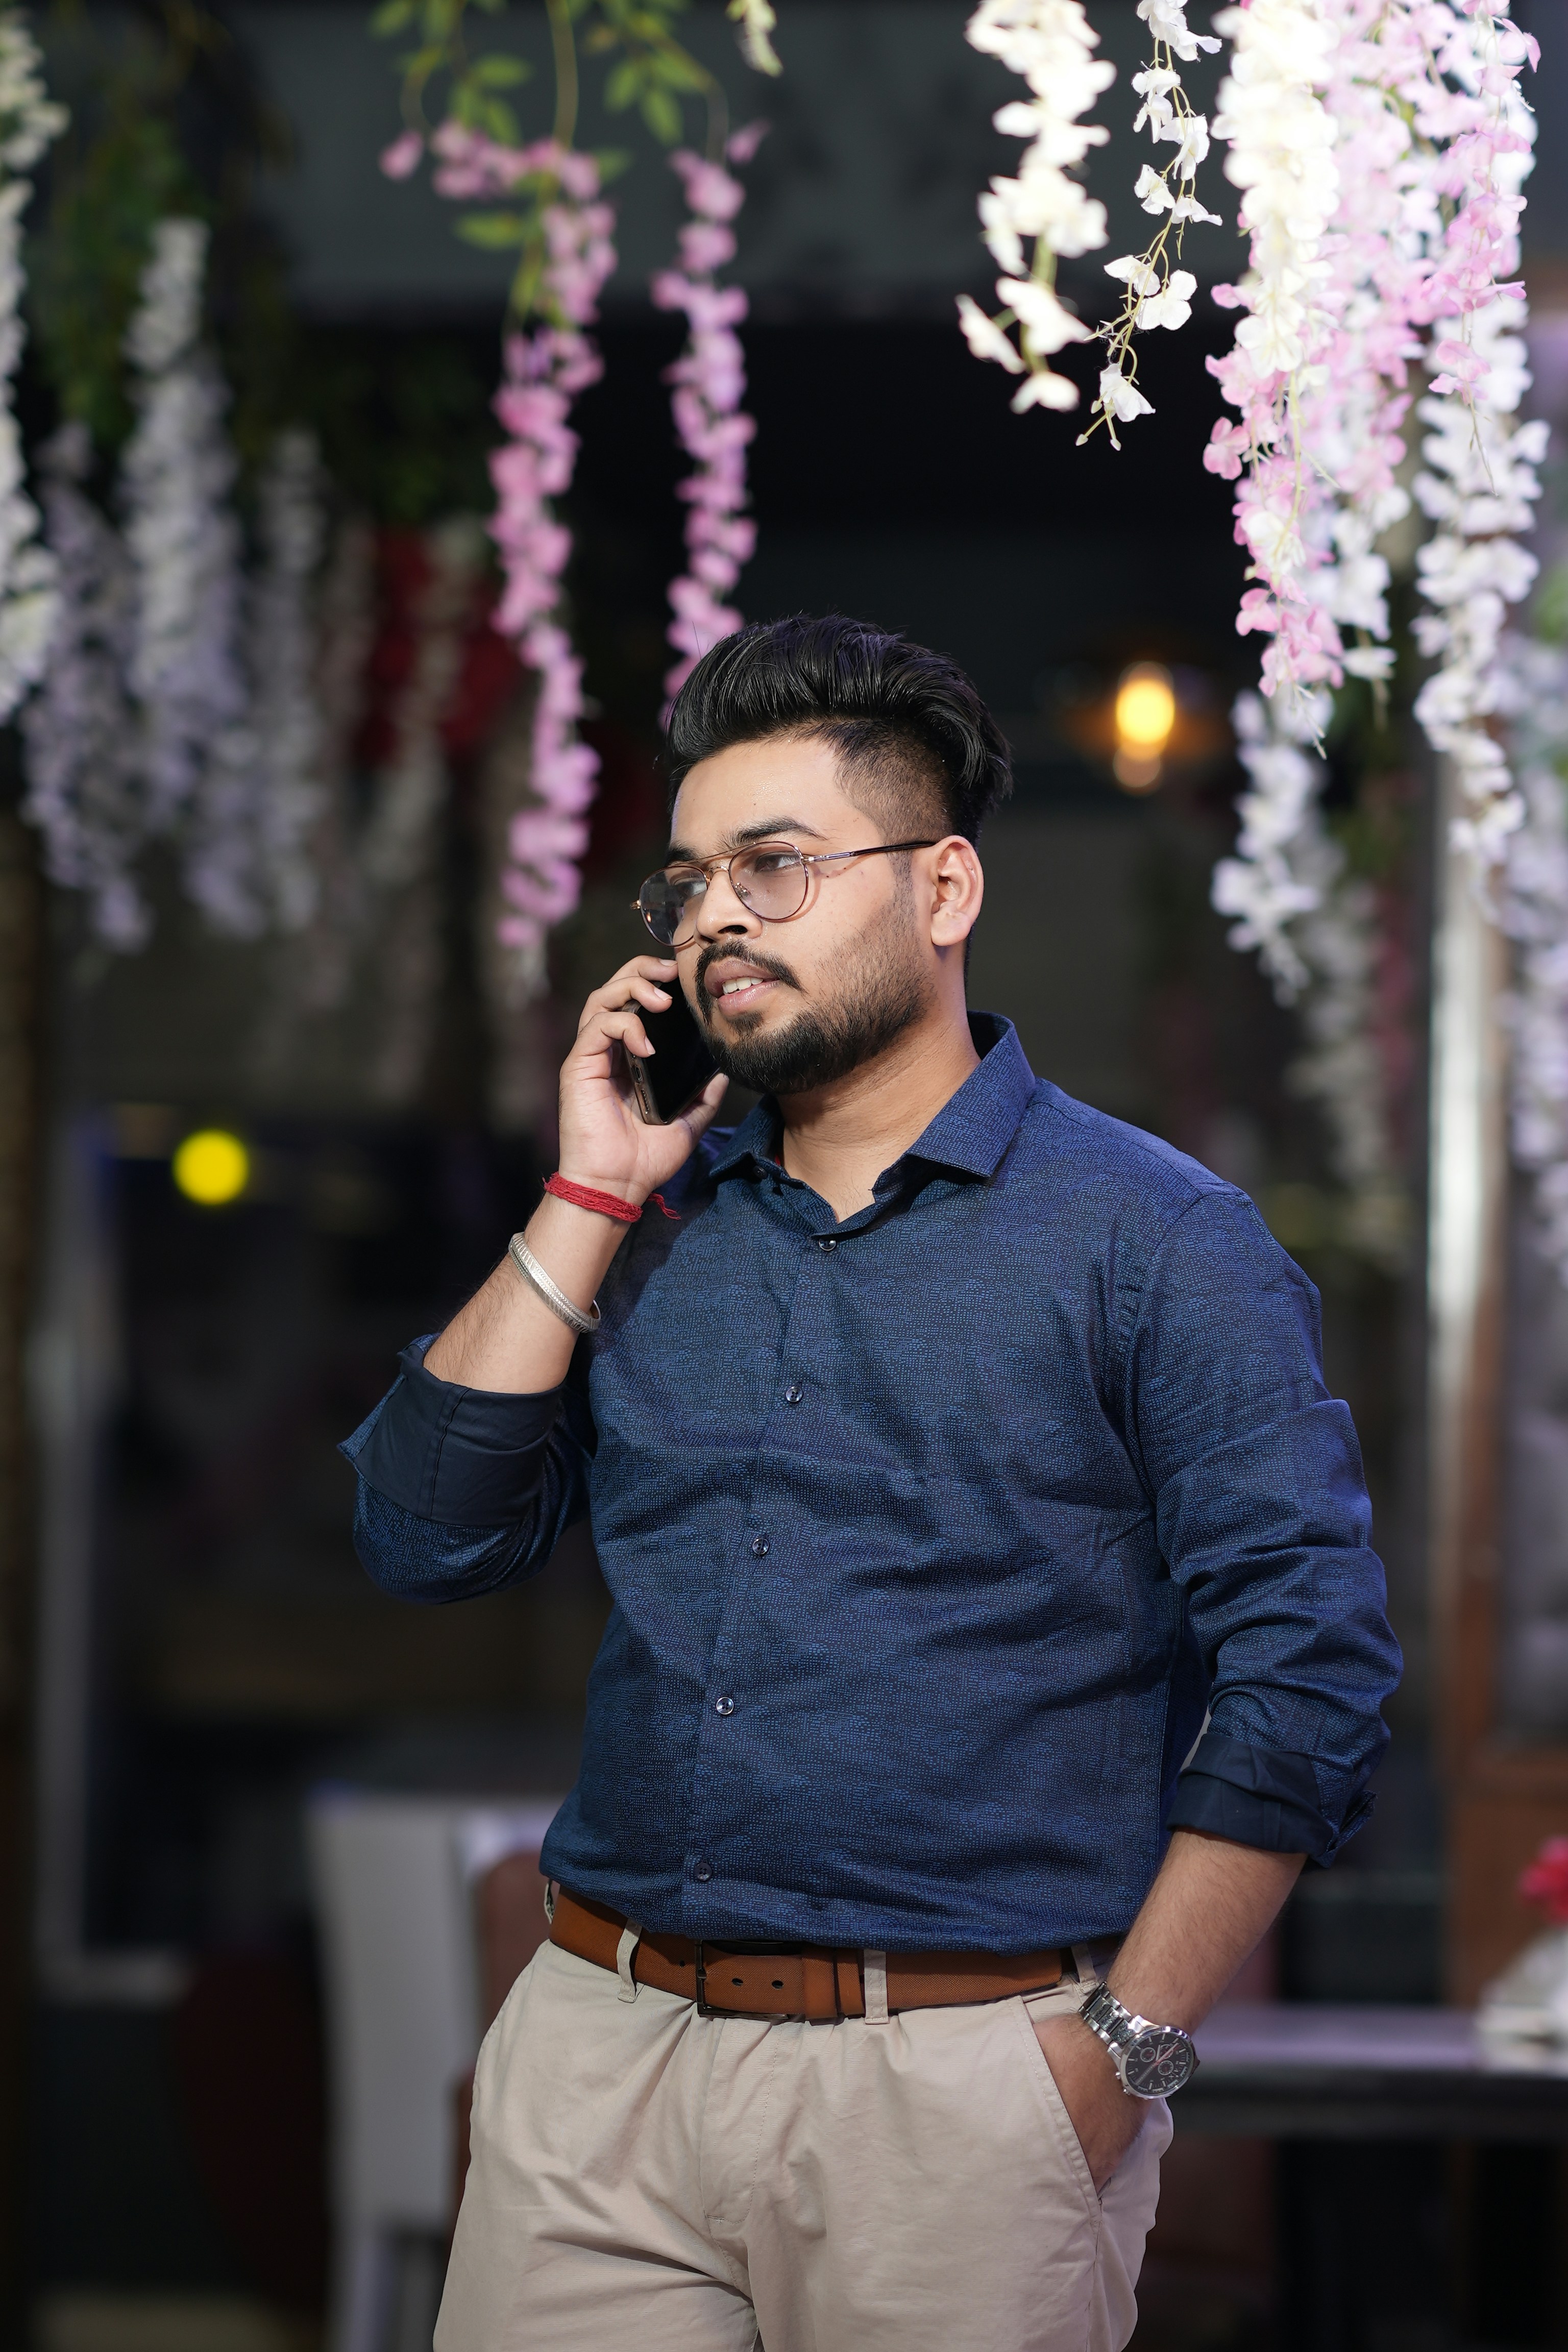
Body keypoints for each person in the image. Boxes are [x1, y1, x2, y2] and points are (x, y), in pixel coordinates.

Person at [342, 614, 1401, 2352]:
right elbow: (420, 1537)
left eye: (774, 867)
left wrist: (1119, 2057)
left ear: (947, 890)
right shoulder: (659, 1229)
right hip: (598, 2061)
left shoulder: (1155, 1240)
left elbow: (1315, 1675)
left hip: (960, 2091)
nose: (713, 926)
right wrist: (591, 1188)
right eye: (687, 885)